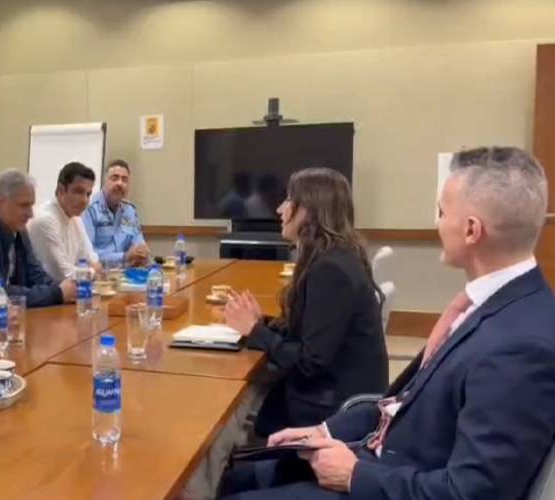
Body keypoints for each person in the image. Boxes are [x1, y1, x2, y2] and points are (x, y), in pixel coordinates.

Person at [219, 147, 555, 500]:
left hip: (387, 480)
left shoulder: (520, 345)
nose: (437, 224)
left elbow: (472, 492)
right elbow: (401, 403)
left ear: (471, 230)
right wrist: (325, 431)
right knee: (240, 478)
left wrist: (355, 475)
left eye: (441, 212)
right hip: (382, 455)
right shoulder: (487, 307)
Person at [225, 167, 388, 438]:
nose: (280, 209)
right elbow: (311, 330)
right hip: (336, 394)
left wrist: (255, 331)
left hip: (331, 409)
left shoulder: (331, 270)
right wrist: (261, 324)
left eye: (289, 200)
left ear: (310, 210)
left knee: (234, 400)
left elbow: (311, 361)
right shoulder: (334, 256)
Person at [0, 170, 77, 308]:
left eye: (31, 205)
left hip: (15, 316)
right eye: (24, 205)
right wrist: (57, 293)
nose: (30, 214)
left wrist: (67, 290)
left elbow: (36, 276)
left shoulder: (18, 230)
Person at [27, 162, 101, 282]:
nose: (85, 200)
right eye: (78, 192)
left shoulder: (76, 219)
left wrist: (90, 270)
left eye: (88, 194)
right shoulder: (45, 220)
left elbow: (92, 261)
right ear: (61, 190)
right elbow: (64, 275)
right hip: (44, 291)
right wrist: (92, 272)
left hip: (69, 290)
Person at [82, 159, 149, 267]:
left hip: (126, 273)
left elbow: (139, 243)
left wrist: (142, 253)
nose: (120, 183)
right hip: (99, 273)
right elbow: (87, 255)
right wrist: (124, 257)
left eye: (124, 180)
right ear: (104, 182)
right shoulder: (89, 209)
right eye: (114, 178)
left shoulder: (130, 211)